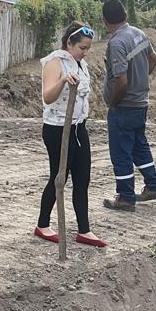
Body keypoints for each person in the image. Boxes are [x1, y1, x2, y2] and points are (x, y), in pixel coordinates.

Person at [35, 23, 107, 247]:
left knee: (83, 178)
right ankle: (42, 225)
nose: (85, 52)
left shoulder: (81, 64)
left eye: (87, 48)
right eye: (82, 48)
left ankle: (84, 230)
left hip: (78, 127)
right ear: (69, 43)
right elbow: (48, 97)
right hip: (58, 129)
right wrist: (63, 80)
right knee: (59, 177)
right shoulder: (54, 62)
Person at [101, 0, 156, 212]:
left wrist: (113, 104)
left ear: (105, 20)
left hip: (124, 106)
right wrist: (141, 79)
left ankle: (126, 197)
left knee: (120, 153)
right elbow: (154, 59)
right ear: (125, 15)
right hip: (141, 103)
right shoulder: (139, 33)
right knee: (139, 146)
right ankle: (153, 186)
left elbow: (121, 82)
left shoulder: (117, 43)